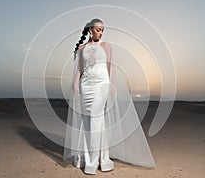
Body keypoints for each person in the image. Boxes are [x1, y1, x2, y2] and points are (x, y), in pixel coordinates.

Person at [63, 18, 155, 175]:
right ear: (90, 29)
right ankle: (100, 159)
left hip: (102, 84)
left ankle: (93, 163)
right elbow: (80, 69)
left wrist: (111, 85)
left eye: (102, 30)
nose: (100, 32)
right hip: (86, 85)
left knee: (96, 118)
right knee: (88, 121)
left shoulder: (106, 46)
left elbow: (110, 67)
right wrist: (75, 84)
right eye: (98, 29)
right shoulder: (82, 48)